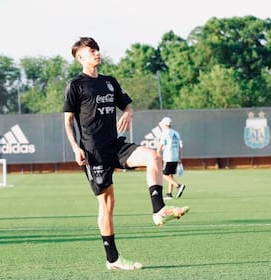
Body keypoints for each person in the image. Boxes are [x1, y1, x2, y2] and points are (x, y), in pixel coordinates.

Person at [63, 37, 189, 271]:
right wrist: (75, 147)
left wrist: (128, 113)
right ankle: (113, 259)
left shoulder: (109, 82)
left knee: (153, 156)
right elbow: (68, 119)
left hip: (115, 146)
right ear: (80, 57)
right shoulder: (76, 85)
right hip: (94, 153)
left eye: (97, 49)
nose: (96, 53)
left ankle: (159, 210)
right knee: (107, 204)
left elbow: (127, 104)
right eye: (91, 51)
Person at [157, 117, 186, 199]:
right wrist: (179, 158)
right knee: (170, 175)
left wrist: (157, 156)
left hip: (168, 157)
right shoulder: (176, 133)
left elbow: (160, 146)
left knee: (163, 174)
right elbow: (179, 147)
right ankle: (169, 194)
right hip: (175, 157)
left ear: (165, 125)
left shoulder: (165, 133)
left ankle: (178, 186)